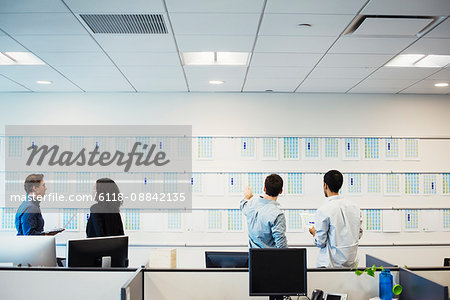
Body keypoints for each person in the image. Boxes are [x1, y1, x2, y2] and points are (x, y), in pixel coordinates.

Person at [309, 170, 363, 268]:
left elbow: (320, 242)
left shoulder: (324, 210)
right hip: (351, 266)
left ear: (325, 185)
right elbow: (359, 233)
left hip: (330, 266)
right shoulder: (354, 207)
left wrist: (314, 233)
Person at [240, 174, 287, 248]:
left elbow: (242, 205)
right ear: (281, 191)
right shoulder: (277, 215)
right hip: (270, 258)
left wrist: (248, 197)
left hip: (253, 257)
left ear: (264, 189)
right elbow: (281, 246)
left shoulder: (251, 205)